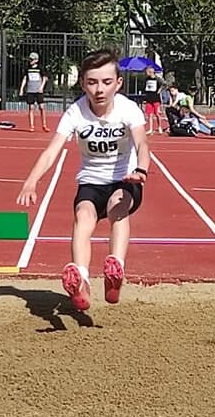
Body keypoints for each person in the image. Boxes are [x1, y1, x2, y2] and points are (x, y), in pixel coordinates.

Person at [16, 49, 150, 311]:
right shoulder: (75, 112)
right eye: (92, 82)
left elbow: (142, 143)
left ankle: (116, 268)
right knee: (83, 215)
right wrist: (31, 181)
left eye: (106, 82)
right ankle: (81, 281)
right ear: (83, 84)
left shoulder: (128, 109)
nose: (99, 89)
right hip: (91, 181)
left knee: (118, 206)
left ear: (118, 83)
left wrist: (142, 170)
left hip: (125, 178)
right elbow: (52, 150)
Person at [19, 51, 49, 132]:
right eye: (30, 59)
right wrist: (21, 89)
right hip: (30, 90)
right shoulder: (27, 68)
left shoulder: (40, 68)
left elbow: (45, 78)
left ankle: (44, 125)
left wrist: (41, 87)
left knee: (41, 107)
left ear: (36, 60)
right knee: (31, 108)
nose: (30, 61)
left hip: (38, 90)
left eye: (32, 59)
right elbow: (25, 79)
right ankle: (32, 126)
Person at [143, 64, 164, 135]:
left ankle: (160, 127)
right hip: (149, 98)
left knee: (157, 114)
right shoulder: (146, 79)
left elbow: (164, 84)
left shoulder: (157, 79)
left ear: (152, 71)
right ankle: (150, 128)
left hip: (156, 98)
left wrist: (160, 90)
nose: (147, 73)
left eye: (148, 71)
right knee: (150, 115)